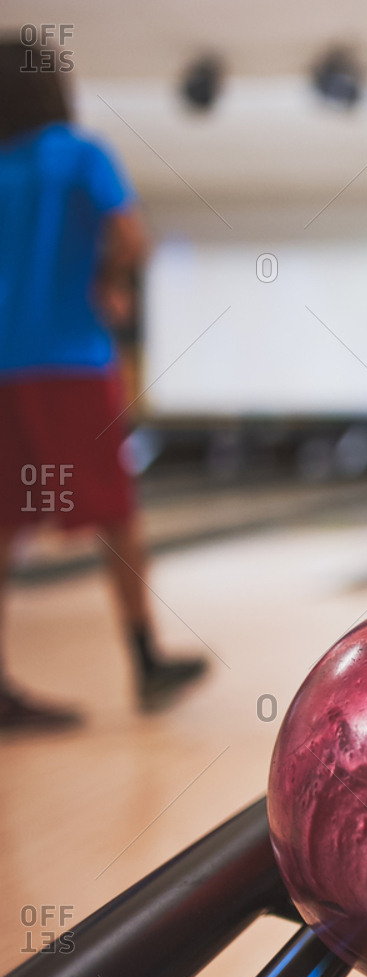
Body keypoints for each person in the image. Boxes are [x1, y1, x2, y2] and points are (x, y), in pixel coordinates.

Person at [1, 39, 206, 733]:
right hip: (70, 362)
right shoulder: (79, 152)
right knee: (116, 515)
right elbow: (130, 234)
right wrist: (109, 281)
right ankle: (146, 660)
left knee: (2, 524)